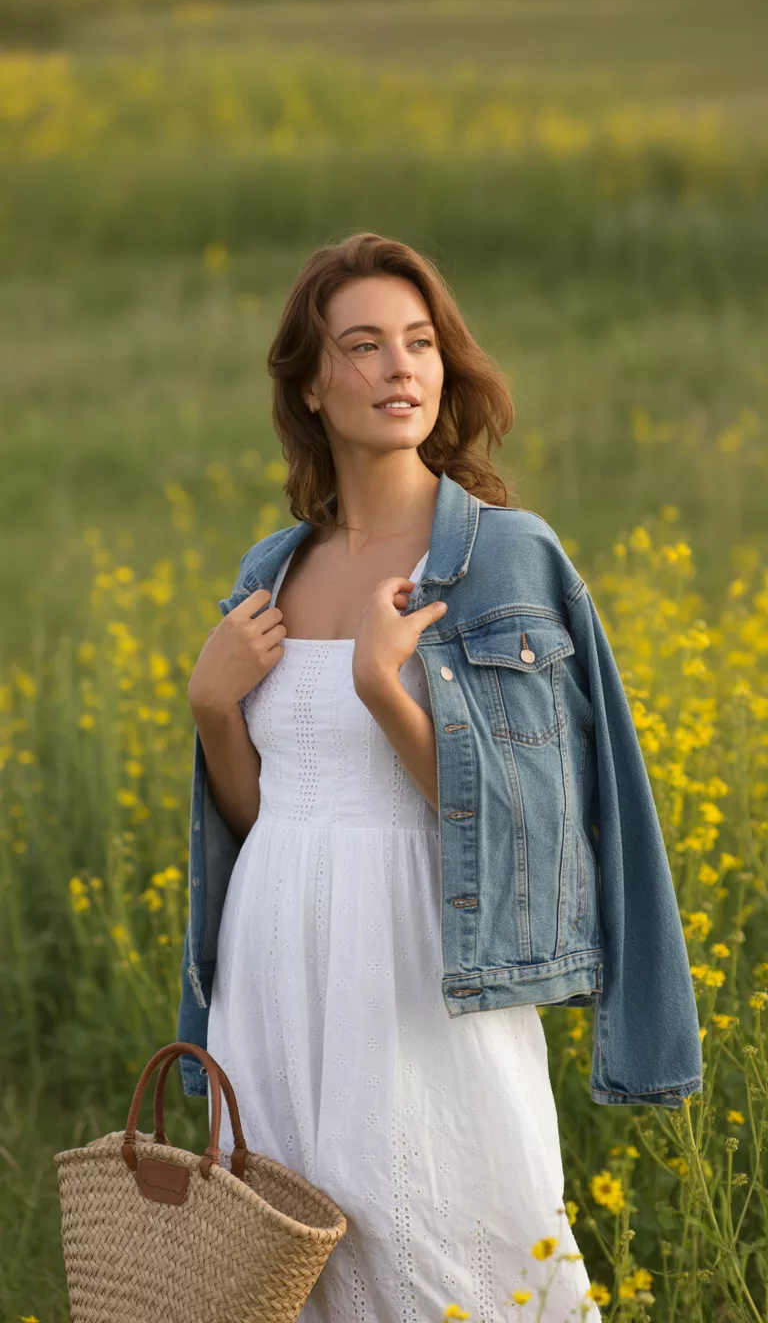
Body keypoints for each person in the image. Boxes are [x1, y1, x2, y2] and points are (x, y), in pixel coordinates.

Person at [185, 232, 605, 1320]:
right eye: (362, 346)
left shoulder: (505, 557)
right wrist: (211, 706)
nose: (398, 369)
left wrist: (386, 689)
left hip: (422, 961)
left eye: (419, 343)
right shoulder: (273, 570)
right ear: (312, 384)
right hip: (274, 963)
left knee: (459, 1240)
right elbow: (263, 819)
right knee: (289, 1263)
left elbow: (522, 825)